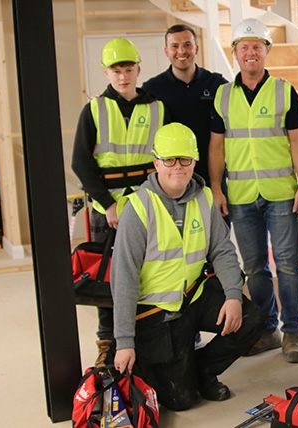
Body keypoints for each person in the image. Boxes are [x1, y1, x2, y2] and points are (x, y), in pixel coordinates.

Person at [111, 123, 266, 411]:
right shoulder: (138, 208)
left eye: (185, 159)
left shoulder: (204, 197)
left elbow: (222, 250)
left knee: (252, 318)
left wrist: (233, 295)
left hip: (194, 296)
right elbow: (124, 278)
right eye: (169, 160)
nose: (178, 167)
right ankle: (179, 369)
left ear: (194, 161)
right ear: (156, 162)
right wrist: (124, 340)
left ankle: (203, 370)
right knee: (180, 402)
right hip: (157, 312)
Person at [208, 18, 298, 363]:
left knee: (287, 265)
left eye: (257, 46)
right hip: (240, 195)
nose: (250, 53)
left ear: (267, 51)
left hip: (281, 192)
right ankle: (268, 329)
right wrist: (216, 189)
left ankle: (292, 331)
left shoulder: (284, 90)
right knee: (254, 268)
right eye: (243, 47)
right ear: (234, 53)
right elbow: (216, 148)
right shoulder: (223, 95)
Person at [71, 37, 169, 367]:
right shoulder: (95, 109)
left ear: (138, 70)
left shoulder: (157, 108)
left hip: (144, 206)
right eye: (116, 71)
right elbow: (81, 163)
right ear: (106, 73)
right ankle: (106, 343)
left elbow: (163, 158)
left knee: (147, 273)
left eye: (128, 69)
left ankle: (142, 338)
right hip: (106, 209)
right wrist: (108, 205)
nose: (123, 76)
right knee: (108, 277)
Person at [142, 24, 228, 186]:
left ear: (196, 48)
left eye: (187, 45)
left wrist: (270, 87)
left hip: (212, 178)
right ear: (166, 51)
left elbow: (244, 96)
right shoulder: (152, 88)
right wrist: (103, 99)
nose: (181, 51)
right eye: (175, 46)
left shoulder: (216, 84)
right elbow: (128, 104)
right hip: (171, 179)